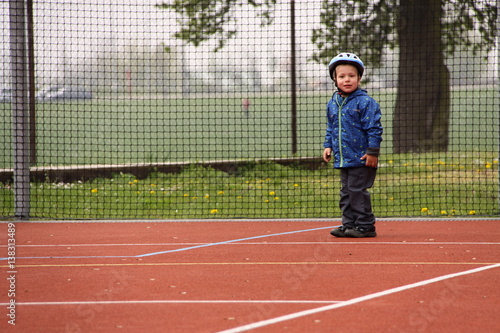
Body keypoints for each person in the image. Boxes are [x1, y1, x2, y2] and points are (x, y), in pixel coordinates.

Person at [322, 53, 383, 238]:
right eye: (342, 76)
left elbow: (374, 128)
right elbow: (331, 127)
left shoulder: (365, 102)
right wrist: (328, 146)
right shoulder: (333, 103)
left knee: (357, 191)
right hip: (343, 157)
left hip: (361, 157)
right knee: (346, 192)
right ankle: (349, 224)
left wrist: (372, 152)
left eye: (351, 76)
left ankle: (365, 225)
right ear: (335, 78)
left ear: (359, 78)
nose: (346, 80)